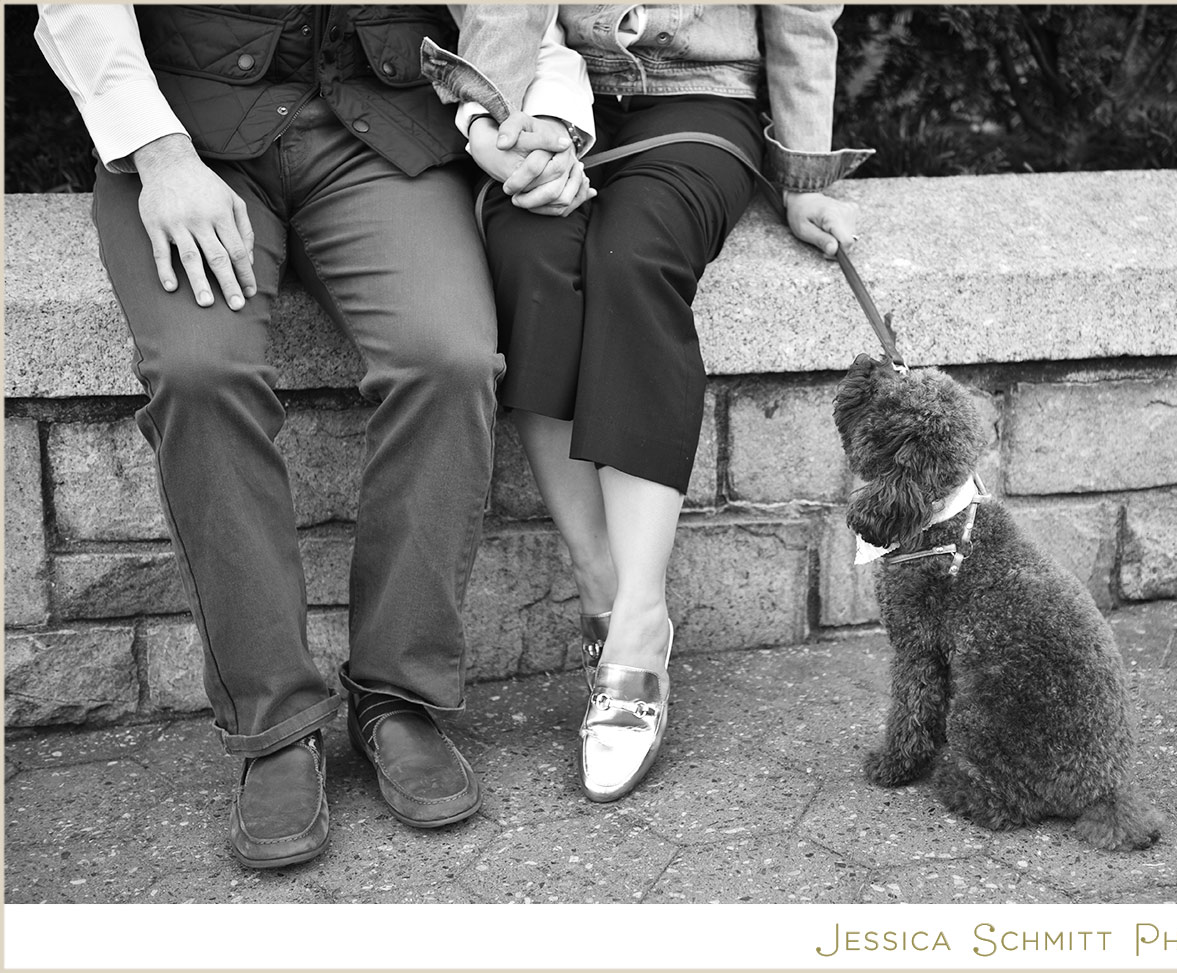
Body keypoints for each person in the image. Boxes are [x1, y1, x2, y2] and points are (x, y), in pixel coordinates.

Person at [35, 3, 592, 868]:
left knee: (448, 359)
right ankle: (274, 724)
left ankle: (397, 695)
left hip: (380, 133)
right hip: (190, 136)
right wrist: (161, 156)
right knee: (199, 372)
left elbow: (506, 10)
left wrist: (508, 116)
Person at [464, 4, 872, 802]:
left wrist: (803, 176)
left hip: (701, 100)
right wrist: (510, 127)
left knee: (633, 256)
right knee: (528, 257)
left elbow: (799, 15)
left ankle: (641, 621)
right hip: (552, 94)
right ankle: (600, 587)